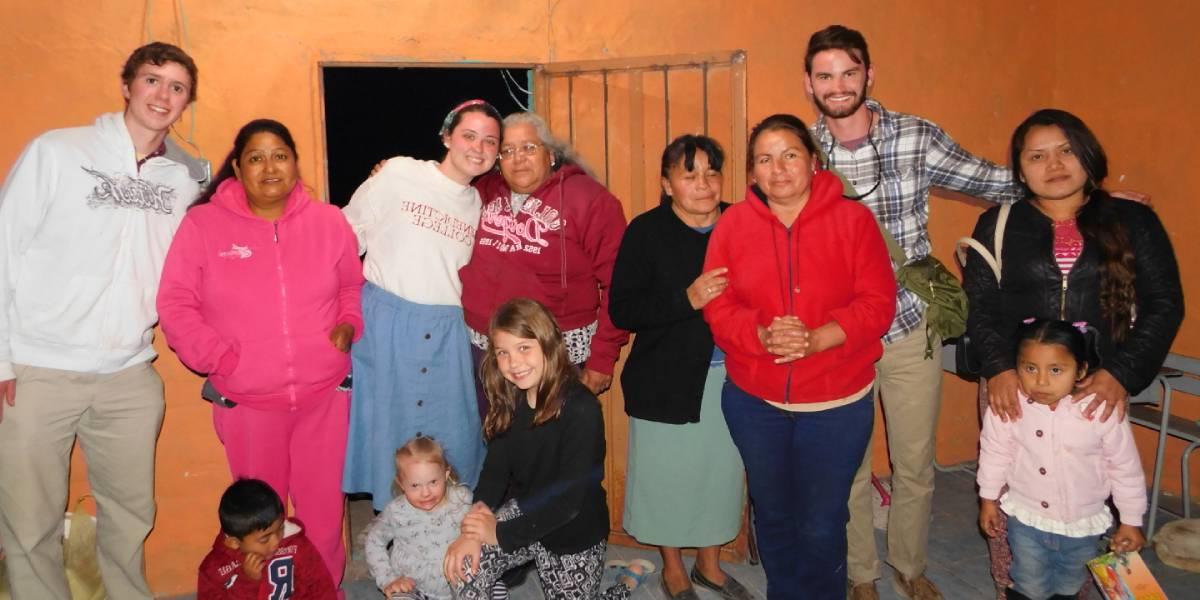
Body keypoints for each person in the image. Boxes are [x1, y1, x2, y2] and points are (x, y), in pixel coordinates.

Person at [801, 25, 1026, 600]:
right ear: (808, 84)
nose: (838, 85)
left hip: (907, 325)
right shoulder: (797, 150)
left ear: (868, 75)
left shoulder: (915, 136)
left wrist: (1086, 191)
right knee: (847, 466)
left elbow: (995, 181)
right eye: (825, 75)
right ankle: (859, 574)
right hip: (836, 334)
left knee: (915, 462)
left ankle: (908, 564)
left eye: (848, 72)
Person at [0, 42, 200, 599]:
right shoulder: (58, 151)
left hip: (129, 375)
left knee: (131, 518)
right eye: (153, 80)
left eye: (177, 87)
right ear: (127, 85)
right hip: (37, 370)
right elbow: (3, 248)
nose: (163, 95)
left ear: (187, 103)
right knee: (28, 521)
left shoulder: (182, 181)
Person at [963, 108, 1184, 597]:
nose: (1054, 164)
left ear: (1087, 154)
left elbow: (1165, 304)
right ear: (1021, 170)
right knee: (1012, 525)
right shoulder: (997, 224)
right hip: (1012, 390)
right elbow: (980, 307)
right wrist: (999, 369)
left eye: (1065, 150)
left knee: (1085, 517)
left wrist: (1121, 375)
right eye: (1037, 155)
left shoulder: (1133, 221)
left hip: (1096, 390)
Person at [157, 118, 364, 588]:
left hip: (324, 398)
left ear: (294, 162)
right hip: (248, 406)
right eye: (256, 157)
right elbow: (175, 302)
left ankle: (322, 592)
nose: (269, 166)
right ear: (237, 167)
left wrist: (348, 325)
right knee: (260, 526)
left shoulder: (329, 221)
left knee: (324, 520)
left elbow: (352, 286)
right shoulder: (203, 225)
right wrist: (220, 358)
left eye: (280, 155)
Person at [703, 114, 896, 599]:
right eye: (764, 159)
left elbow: (878, 304)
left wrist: (818, 338)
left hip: (836, 403)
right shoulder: (733, 224)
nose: (779, 168)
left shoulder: (853, 220)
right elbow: (718, 303)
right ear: (752, 173)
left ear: (813, 161)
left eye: (790, 154)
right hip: (755, 400)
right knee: (772, 513)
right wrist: (761, 335)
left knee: (822, 520)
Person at [609, 134, 751, 600]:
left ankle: (710, 565)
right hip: (664, 379)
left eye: (711, 172)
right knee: (666, 476)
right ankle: (673, 566)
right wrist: (686, 299)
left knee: (721, 473)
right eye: (689, 174)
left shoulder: (743, 222)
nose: (703, 184)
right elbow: (622, 310)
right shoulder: (646, 231)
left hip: (733, 375)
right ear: (667, 183)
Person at [342, 100, 501, 510]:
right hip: (387, 324)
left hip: (448, 331)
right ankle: (397, 536)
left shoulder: (483, 204)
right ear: (447, 137)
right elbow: (346, 237)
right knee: (390, 434)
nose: (477, 148)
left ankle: (449, 537)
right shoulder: (399, 173)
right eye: (469, 136)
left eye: (489, 141)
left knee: (454, 435)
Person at [442, 298, 652, 600]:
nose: (514, 363)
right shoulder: (510, 399)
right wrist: (472, 529)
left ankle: (625, 586)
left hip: (573, 531)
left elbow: (569, 501)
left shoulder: (581, 407)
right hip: (527, 514)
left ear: (548, 344)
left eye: (524, 348)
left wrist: (500, 535)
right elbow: (495, 471)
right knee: (463, 568)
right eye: (503, 352)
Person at [459, 111, 628, 409]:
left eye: (528, 147)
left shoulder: (591, 200)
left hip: (554, 360)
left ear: (550, 154)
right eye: (507, 151)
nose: (518, 158)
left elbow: (622, 284)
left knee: (553, 450)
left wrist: (602, 358)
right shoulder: (482, 191)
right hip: (485, 356)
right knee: (494, 449)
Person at [977, 319, 1147, 600]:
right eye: (1030, 368)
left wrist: (1130, 520)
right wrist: (988, 499)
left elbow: (1125, 468)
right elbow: (994, 453)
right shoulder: (1009, 407)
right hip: (1027, 519)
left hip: (1083, 524)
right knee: (1028, 583)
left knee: (1070, 584)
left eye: (1056, 370)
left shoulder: (1099, 410)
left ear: (1080, 370)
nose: (1041, 381)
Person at [364, 435, 507, 600]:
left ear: (446, 475)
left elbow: (484, 527)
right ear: (401, 483)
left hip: (462, 583)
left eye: (433, 482)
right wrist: (388, 579)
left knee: (498, 591)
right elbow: (374, 541)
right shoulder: (396, 511)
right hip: (414, 587)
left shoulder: (462, 499)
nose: (425, 493)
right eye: (415, 485)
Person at [197, 478, 337, 599]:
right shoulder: (215, 569)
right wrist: (248, 581)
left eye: (280, 529)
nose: (276, 542)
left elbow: (320, 585)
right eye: (264, 539)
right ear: (234, 542)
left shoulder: (296, 546)